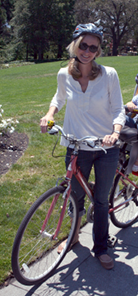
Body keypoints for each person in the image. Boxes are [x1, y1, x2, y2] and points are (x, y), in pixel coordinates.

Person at [40, 23, 126, 269]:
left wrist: (115, 132)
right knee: (74, 196)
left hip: (105, 147)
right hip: (76, 145)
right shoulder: (63, 73)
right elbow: (59, 98)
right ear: (75, 45)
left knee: (100, 200)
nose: (87, 51)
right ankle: (74, 236)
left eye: (93, 47)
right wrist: (49, 114)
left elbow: (119, 108)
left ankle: (101, 248)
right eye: (83, 45)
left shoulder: (109, 74)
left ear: (98, 51)